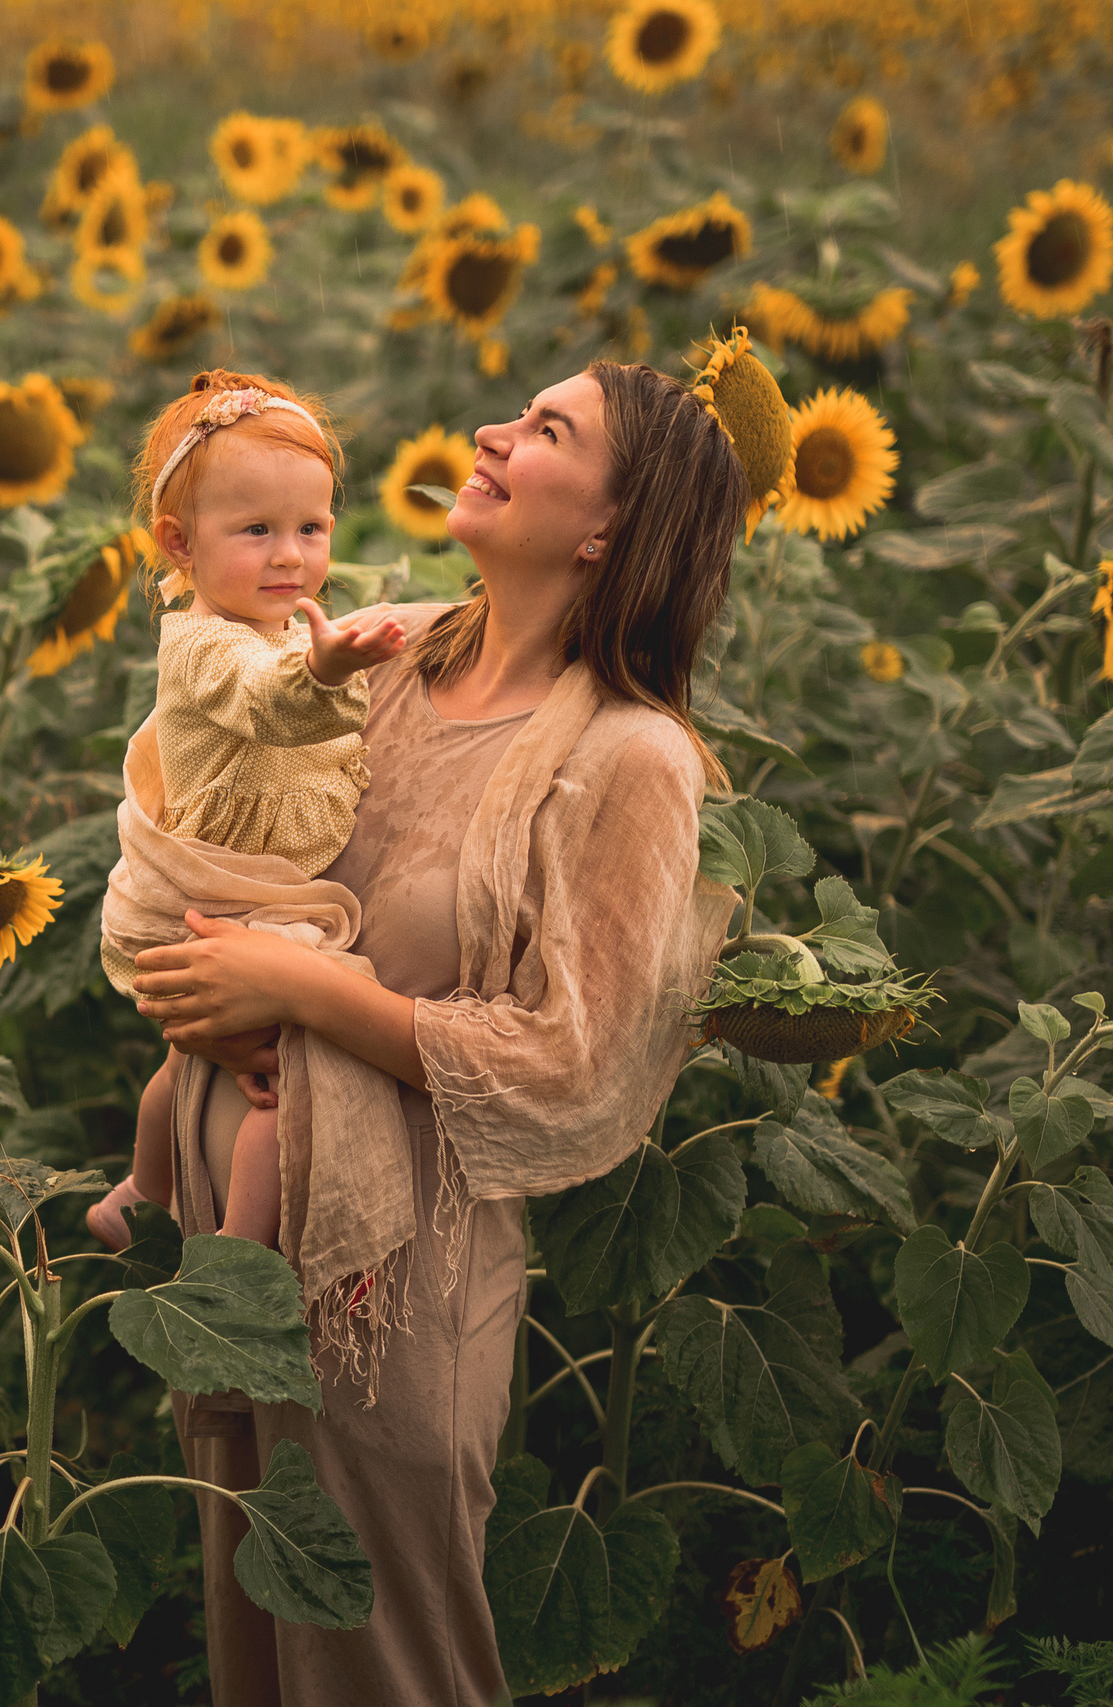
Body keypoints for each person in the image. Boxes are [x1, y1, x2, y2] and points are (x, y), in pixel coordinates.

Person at [123, 360, 750, 1705]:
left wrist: (305, 995)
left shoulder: (629, 757)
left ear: (605, 527)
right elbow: (222, 832)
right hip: (235, 1268)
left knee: (384, 1669)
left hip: (385, 1291)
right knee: (257, 1663)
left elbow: (573, 1061)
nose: (493, 431)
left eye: (547, 430)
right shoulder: (383, 661)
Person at [85, 370, 409, 1257]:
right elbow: (267, 701)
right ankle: (236, 1262)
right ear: (179, 543)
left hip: (231, 885)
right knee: (285, 1087)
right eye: (256, 530)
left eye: (311, 528)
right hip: (224, 900)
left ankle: (140, 1195)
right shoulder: (206, 646)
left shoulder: (275, 630)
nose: (290, 556)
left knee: (185, 1062)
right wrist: (332, 671)